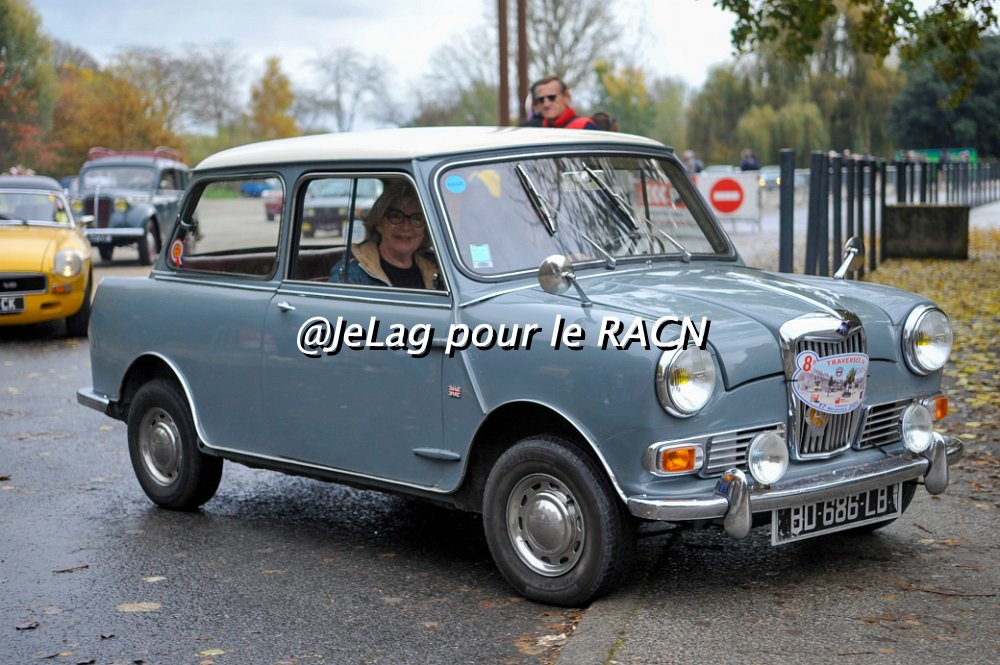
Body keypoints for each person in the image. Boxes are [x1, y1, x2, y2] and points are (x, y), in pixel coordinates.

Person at [329, 180, 439, 289]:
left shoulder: (438, 269)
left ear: (425, 230)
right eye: (395, 216)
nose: (406, 227)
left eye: (416, 218)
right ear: (379, 224)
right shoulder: (350, 273)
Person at [531, 76, 597, 129]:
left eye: (552, 97)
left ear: (566, 96)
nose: (546, 104)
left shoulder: (584, 126)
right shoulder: (535, 130)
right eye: (541, 100)